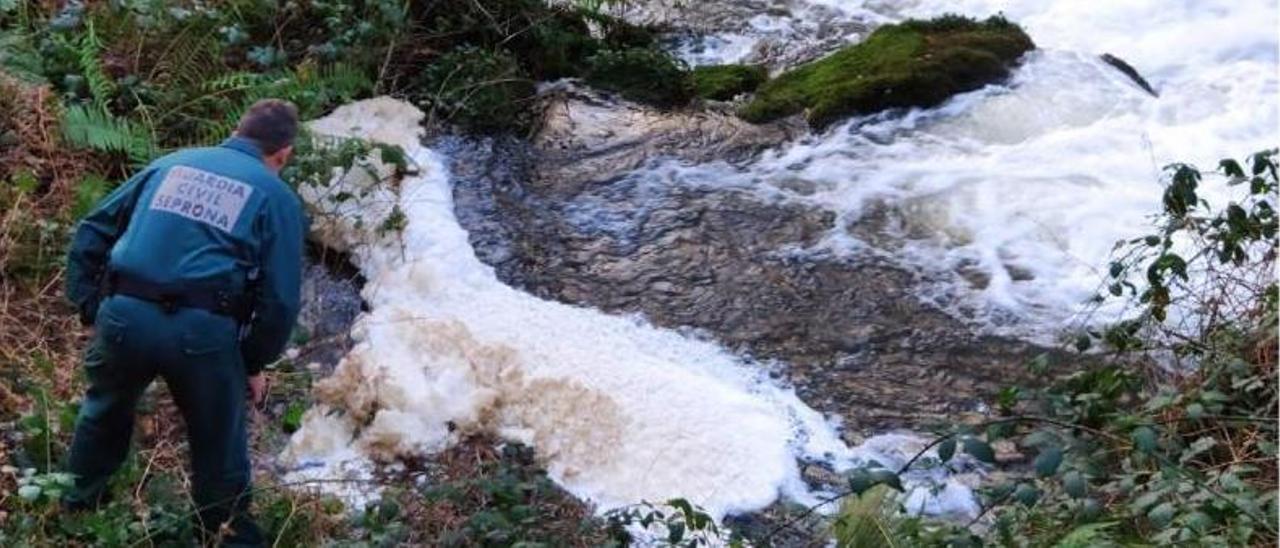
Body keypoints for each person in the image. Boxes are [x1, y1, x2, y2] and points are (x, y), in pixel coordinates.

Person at [61, 99, 306, 546]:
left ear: (236, 128)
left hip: (124, 316)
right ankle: (227, 537)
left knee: (102, 413)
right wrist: (252, 363)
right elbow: (281, 300)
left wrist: (90, 307)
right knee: (219, 447)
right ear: (283, 154)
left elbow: (92, 229)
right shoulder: (276, 196)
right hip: (202, 334)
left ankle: (75, 514)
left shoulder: (171, 164)